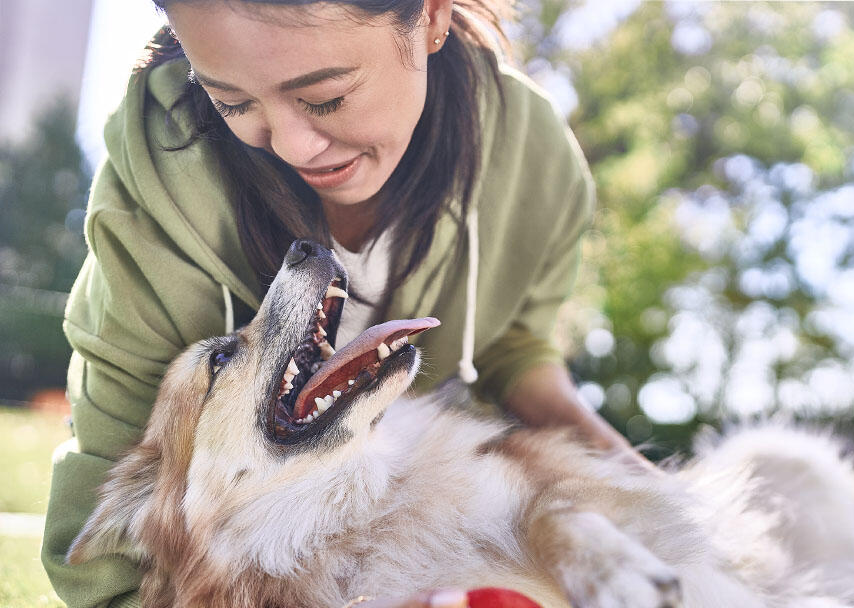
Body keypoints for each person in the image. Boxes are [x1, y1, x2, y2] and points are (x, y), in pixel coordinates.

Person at [41, 1, 643, 607]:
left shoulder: (539, 165)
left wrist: (646, 487)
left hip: (455, 508)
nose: (294, 146)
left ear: (430, 17)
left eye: (325, 98)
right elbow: (104, 556)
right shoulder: (149, 208)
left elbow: (514, 344)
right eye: (234, 104)